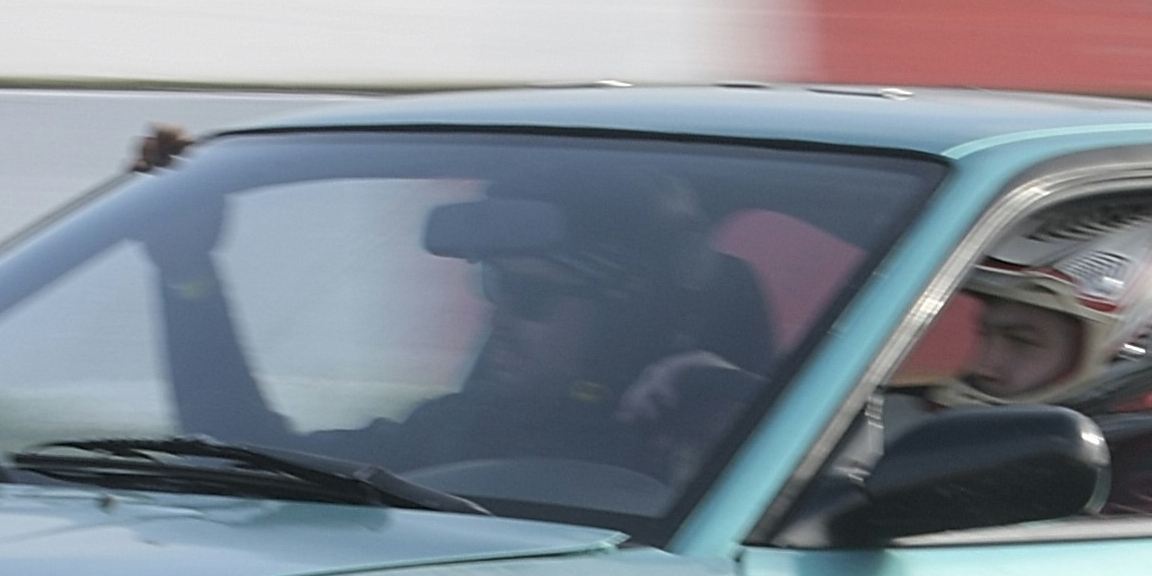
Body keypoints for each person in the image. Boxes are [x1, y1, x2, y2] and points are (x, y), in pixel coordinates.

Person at [146, 173, 768, 491]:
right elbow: (244, 453)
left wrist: (735, 402)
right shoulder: (462, 430)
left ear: (629, 313)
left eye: (529, 296)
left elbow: (847, 496)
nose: (497, 319)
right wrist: (188, 277)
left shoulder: (719, 453)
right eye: (494, 287)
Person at [920, 199, 1152, 513]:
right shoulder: (1012, 456)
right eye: (985, 334)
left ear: (1129, 352)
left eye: (1023, 342)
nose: (984, 364)